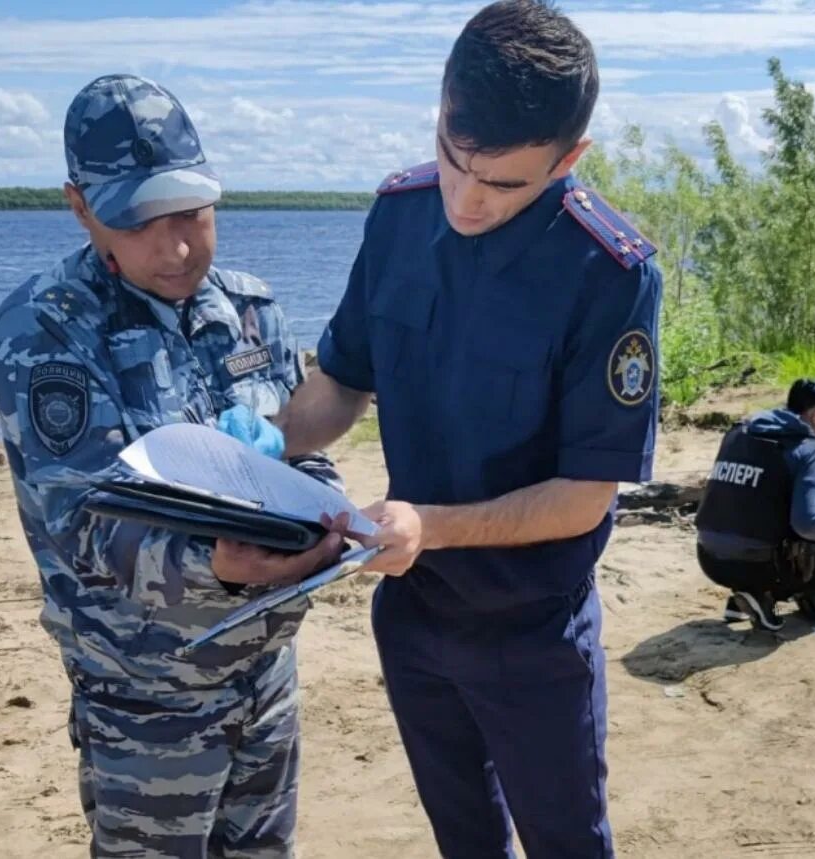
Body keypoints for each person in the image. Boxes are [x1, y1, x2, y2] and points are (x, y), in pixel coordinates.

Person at [276, 2, 661, 854]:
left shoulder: (609, 272)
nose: (467, 198)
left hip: (532, 633)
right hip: (411, 617)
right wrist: (263, 448)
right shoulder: (400, 215)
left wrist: (432, 528)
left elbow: (586, 496)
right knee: (465, 842)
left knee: (568, 841)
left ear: (572, 159)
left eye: (504, 183)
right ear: (442, 106)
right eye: (454, 161)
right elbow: (343, 380)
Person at [0, 74, 345, 857]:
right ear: (81, 208)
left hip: (266, 679)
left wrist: (336, 517)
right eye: (139, 221)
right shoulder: (45, 330)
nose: (176, 247)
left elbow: (291, 449)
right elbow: (83, 521)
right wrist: (221, 566)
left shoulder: (251, 308)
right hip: (147, 705)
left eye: (191, 213)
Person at [694, 376, 815, 632]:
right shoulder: (809, 449)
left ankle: (744, 594)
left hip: (708, 559)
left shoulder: (740, 429)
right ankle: (761, 593)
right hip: (754, 565)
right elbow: (807, 524)